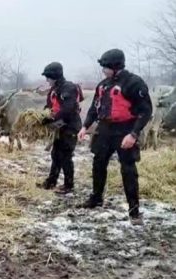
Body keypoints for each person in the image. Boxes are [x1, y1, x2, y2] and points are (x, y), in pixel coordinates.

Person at [78, 49, 152, 225]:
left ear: (115, 66)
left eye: (105, 66)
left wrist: (133, 134)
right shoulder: (103, 85)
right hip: (105, 129)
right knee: (98, 163)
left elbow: (146, 111)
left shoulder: (134, 83)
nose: (103, 69)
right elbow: (94, 108)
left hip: (125, 129)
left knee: (128, 169)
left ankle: (134, 211)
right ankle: (96, 198)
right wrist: (85, 126)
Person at [37, 62, 83, 194]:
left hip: (70, 126)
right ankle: (51, 181)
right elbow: (49, 106)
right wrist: (43, 115)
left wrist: (52, 118)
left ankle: (69, 185)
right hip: (59, 127)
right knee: (56, 155)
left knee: (65, 155)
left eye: (48, 77)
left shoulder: (68, 87)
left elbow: (67, 109)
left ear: (54, 76)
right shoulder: (54, 89)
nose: (47, 80)